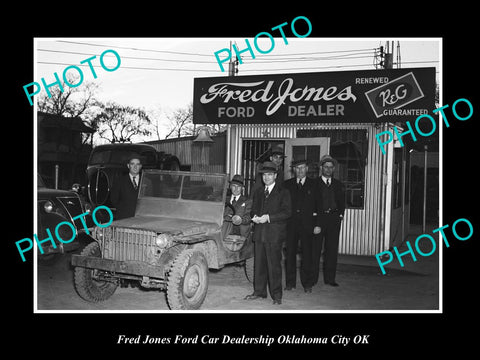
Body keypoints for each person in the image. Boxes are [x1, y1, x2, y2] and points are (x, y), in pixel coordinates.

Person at [244, 161, 291, 305]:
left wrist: (269, 218)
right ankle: (259, 292)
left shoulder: (283, 192)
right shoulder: (258, 192)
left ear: (275, 176)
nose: (266, 178)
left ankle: (277, 296)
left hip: (274, 235)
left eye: (270, 175)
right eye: (264, 175)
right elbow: (253, 210)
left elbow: (287, 212)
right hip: (259, 234)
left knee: (274, 266)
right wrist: (255, 217)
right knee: (259, 265)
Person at [283, 158, 321, 293]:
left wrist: (318, 225)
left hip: (308, 225)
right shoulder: (287, 185)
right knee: (290, 255)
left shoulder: (315, 184)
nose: (300, 171)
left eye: (302, 168)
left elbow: (319, 206)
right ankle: (290, 283)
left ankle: (307, 284)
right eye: (297, 168)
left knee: (307, 255)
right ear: (294, 169)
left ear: (307, 169)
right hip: (291, 225)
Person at [314, 155, 346, 287]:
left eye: (331, 167)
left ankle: (330, 279)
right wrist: (314, 219)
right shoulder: (314, 183)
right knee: (315, 249)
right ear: (321, 168)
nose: (328, 169)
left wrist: (340, 215)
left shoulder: (338, 184)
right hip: (319, 220)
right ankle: (312, 279)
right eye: (325, 167)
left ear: (333, 169)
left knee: (331, 250)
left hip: (333, 220)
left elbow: (342, 202)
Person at [110, 156, 143, 220]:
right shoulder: (119, 181)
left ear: (140, 166)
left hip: (142, 219)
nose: (135, 167)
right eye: (132, 164)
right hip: (124, 218)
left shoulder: (146, 181)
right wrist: (123, 212)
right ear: (128, 166)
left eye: (137, 164)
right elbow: (114, 200)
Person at [222, 174, 252, 239]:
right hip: (224, 230)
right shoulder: (224, 200)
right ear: (230, 186)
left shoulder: (247, 201)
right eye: (234, 186)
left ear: (242, 188)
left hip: (240, 233)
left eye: (238, 187)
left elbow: (248, 217)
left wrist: (240, 220)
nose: (236, 189)